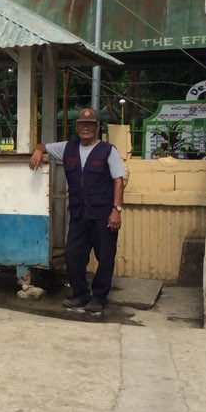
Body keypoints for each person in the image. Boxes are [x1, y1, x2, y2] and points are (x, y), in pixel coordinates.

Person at [28, 106, 126, 315]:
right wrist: (38, 150)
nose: (86, 129)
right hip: (79, 214)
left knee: (105, 256)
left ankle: (99, 298)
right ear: (77, 127)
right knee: (73, 254)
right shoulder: (67, 148)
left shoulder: (109, 150)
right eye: (82, 125)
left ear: (97, 127)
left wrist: (116, 209)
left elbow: (118, 181)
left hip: (103, 215)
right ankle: (80, 294)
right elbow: (42, 145)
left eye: (90, 125)